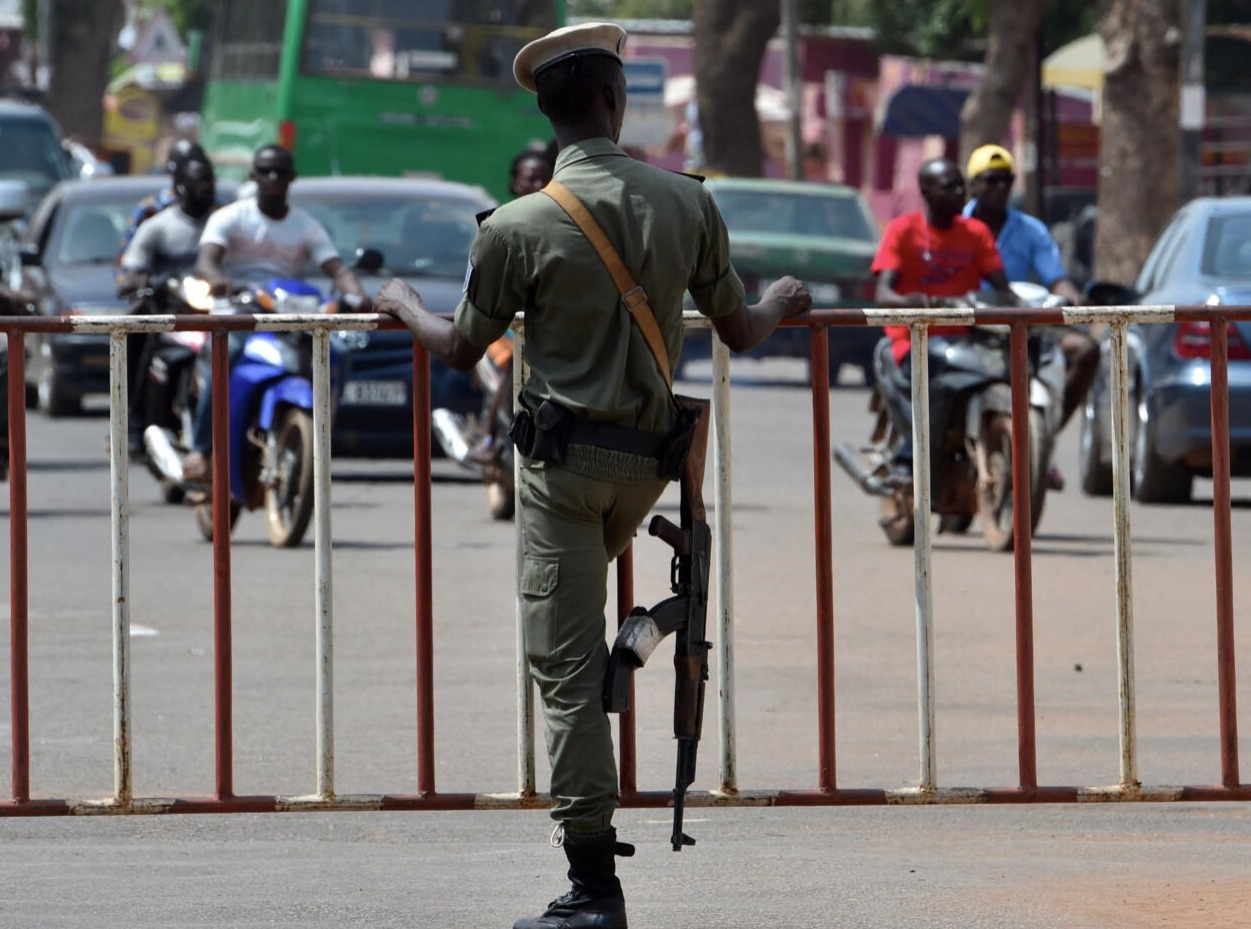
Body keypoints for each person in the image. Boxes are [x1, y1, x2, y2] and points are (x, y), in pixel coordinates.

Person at [374, 22, 811, 929]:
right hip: (648, 473)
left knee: (565, 672)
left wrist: (402, 303)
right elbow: (737, 329)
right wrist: (779, 302)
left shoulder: (515, 225)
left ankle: (592, 888)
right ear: (615, 100)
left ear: (547, 109)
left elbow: (460, 348)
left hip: (561, 476)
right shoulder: (688, 202)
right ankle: (637, 643)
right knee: (596, 644)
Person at [185, 143, 370, 482]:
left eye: (280, 172)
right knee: (225, 356)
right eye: (265, 171)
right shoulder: (230, 217)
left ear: (292, 178)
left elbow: (338, 269)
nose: (273, 178)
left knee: (339, 352)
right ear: (253, 175)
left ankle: (319, 433)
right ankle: (200, 447)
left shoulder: (306, 226)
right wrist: (220, 281)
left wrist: (356, 294)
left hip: (287, 316)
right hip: (238, 313)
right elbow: (206, 262)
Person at [871, 157, 1017, 479]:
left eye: (960, 185)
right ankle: (911, 457)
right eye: (948, 186)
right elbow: (883, 293)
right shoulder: (902, 230)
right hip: (915, 338)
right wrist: (911, 302)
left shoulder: (976, 232)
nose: (959, 192)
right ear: (926, 191)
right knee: (940, 380)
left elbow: (1002, 287)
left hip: (966, 338)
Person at [963, 144, 1099, 488]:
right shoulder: (959, 227)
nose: (998, 188)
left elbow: (1056, 277)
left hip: (1019, 320)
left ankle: (1042, 443)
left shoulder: (1031, 229)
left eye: (1005, 180)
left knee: (1086, 351)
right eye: (989, 181)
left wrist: (1075, 299)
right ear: (973, 185)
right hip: (966, 323)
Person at [117, 155, 219, 458]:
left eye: (209, 180)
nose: (206, 187)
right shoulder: (158, 225)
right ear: (180, 186)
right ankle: (134, 421)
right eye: (198, 180)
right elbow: (130, 272)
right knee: (135, 336)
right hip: (170, 309)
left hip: (213, 309)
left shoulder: (223, 221)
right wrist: (149, 281)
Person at [468, 145, 557, 465]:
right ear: (515, 184)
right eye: (531, 179)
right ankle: (488, 434)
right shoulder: (496, 226)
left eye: (546, 179)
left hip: (548, 327)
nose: (539, 186)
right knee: (512, 360)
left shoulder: (563, 225)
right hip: (504, 327)